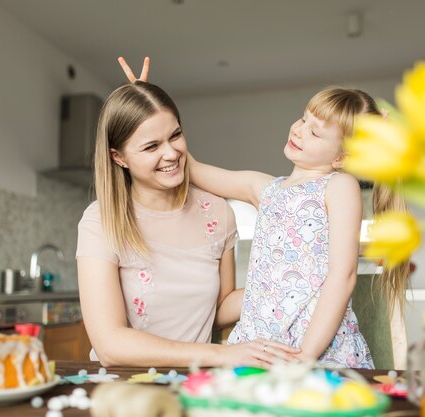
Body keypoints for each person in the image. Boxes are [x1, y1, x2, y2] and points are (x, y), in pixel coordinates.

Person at [76, 79, 300, 367]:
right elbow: (110, 345)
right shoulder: (100, 221)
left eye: (175, 135)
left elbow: (217, 308)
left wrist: (286, 284)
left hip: (195, 381)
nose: (170, 153)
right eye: (151, 146)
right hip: (125, 386)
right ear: (119, 157)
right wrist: (222, 355)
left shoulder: (217, 212)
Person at [186, 87, 391, 369]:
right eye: (303, 119)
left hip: (315, 349)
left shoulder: (339, 186)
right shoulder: (264, 188)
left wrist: (306, 354)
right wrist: (151, 110)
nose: (299, 130)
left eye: (315, 132)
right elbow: (193, 169)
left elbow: (342, 276)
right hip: (260, 346)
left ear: (342, 158)